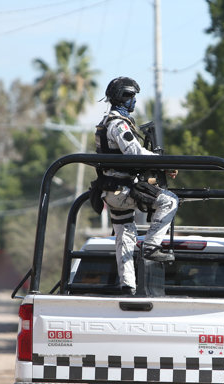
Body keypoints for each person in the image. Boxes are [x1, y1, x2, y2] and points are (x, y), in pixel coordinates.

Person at [92, 76, 179, 295]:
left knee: (125, 236)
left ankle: (127, 285)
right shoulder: (118, 124)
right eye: (130, 95)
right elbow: (135, 153)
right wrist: (165, 163)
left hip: (111, 191)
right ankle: (151, 246)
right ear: (121, 97)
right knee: (169, 201)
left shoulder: (105, 123)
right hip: (123, 190)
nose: (134, 101)